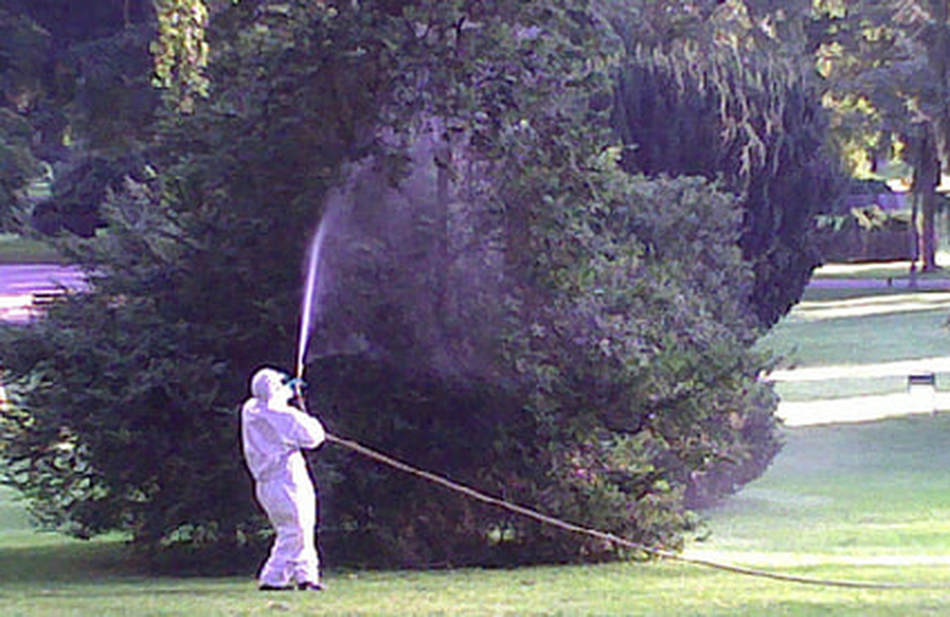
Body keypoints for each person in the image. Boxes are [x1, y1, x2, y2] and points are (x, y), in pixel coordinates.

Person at [241, 367, 326, 591]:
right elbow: (313, 437)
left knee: (303, 527)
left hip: (272, 481)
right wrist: (294, 398)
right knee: (294, 529)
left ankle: (306, 577)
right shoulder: (279, 414)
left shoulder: (251, 409)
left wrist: (288, 394)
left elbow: (272, 403)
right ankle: (273, 578)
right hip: (285, 478)